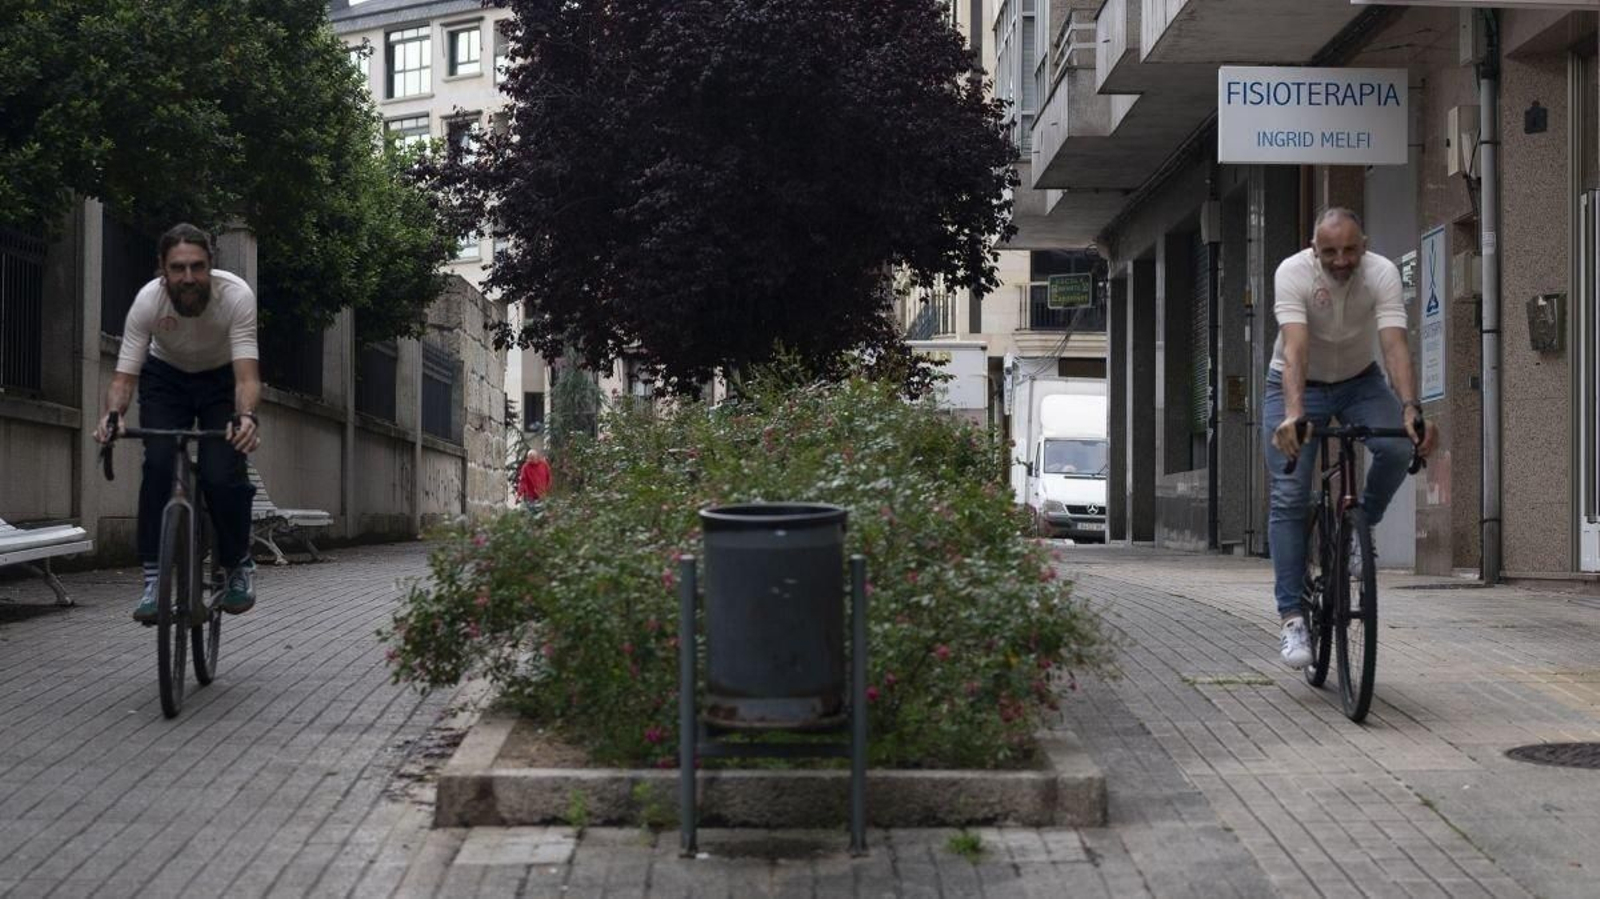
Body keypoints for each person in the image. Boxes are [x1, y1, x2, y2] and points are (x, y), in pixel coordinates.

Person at [1265, 208, 1436, 669]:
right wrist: (1295, 415)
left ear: (1365, 245)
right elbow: (1296, 347)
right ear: (1313, 249)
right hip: (1296, 383)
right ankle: (1292, 618)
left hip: (1361, 381)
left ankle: (1361, 530)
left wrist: (1410, 407)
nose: (1341, 260)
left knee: (1397, 446)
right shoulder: (1292, 273)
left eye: (1350, 250)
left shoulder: (1381, 273)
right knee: (1290, 493)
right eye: (1330, 252)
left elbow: (1394, 344)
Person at [93, 223, 262, 623]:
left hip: (221, 380)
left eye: (197, 267)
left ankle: (237, 564)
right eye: (178, 268)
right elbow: (124, 378)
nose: (188, 277)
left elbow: (246, 377)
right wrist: (113, 416)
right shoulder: (148, 302)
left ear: (210, 264)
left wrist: (245, 417)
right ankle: (154, 579)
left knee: (222, 473)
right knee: (158, 464)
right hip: (166, 378)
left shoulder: (236, 296)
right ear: (162, 269)